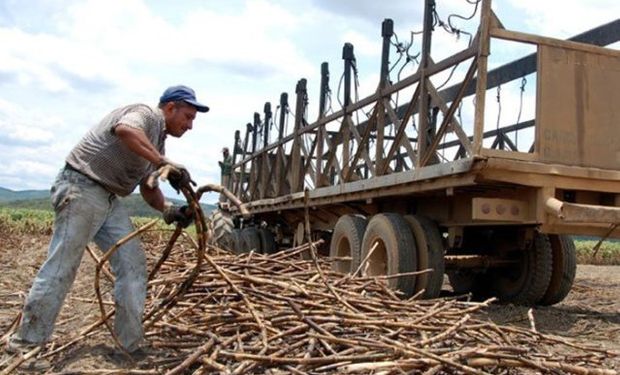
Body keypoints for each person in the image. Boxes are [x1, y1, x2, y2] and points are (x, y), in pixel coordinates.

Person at [6, 85, 209, 356]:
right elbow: (125, 130)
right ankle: (26, 344)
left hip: (109, 199)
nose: (190, 125)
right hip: (81, 188)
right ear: (170, 108)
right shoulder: (146, 115)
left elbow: (148, 188)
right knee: (62, 267)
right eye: (188, 116)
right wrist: (163, 162)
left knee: (133, 265)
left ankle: (129, 345)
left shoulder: (157, 143)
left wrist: (169, 210)